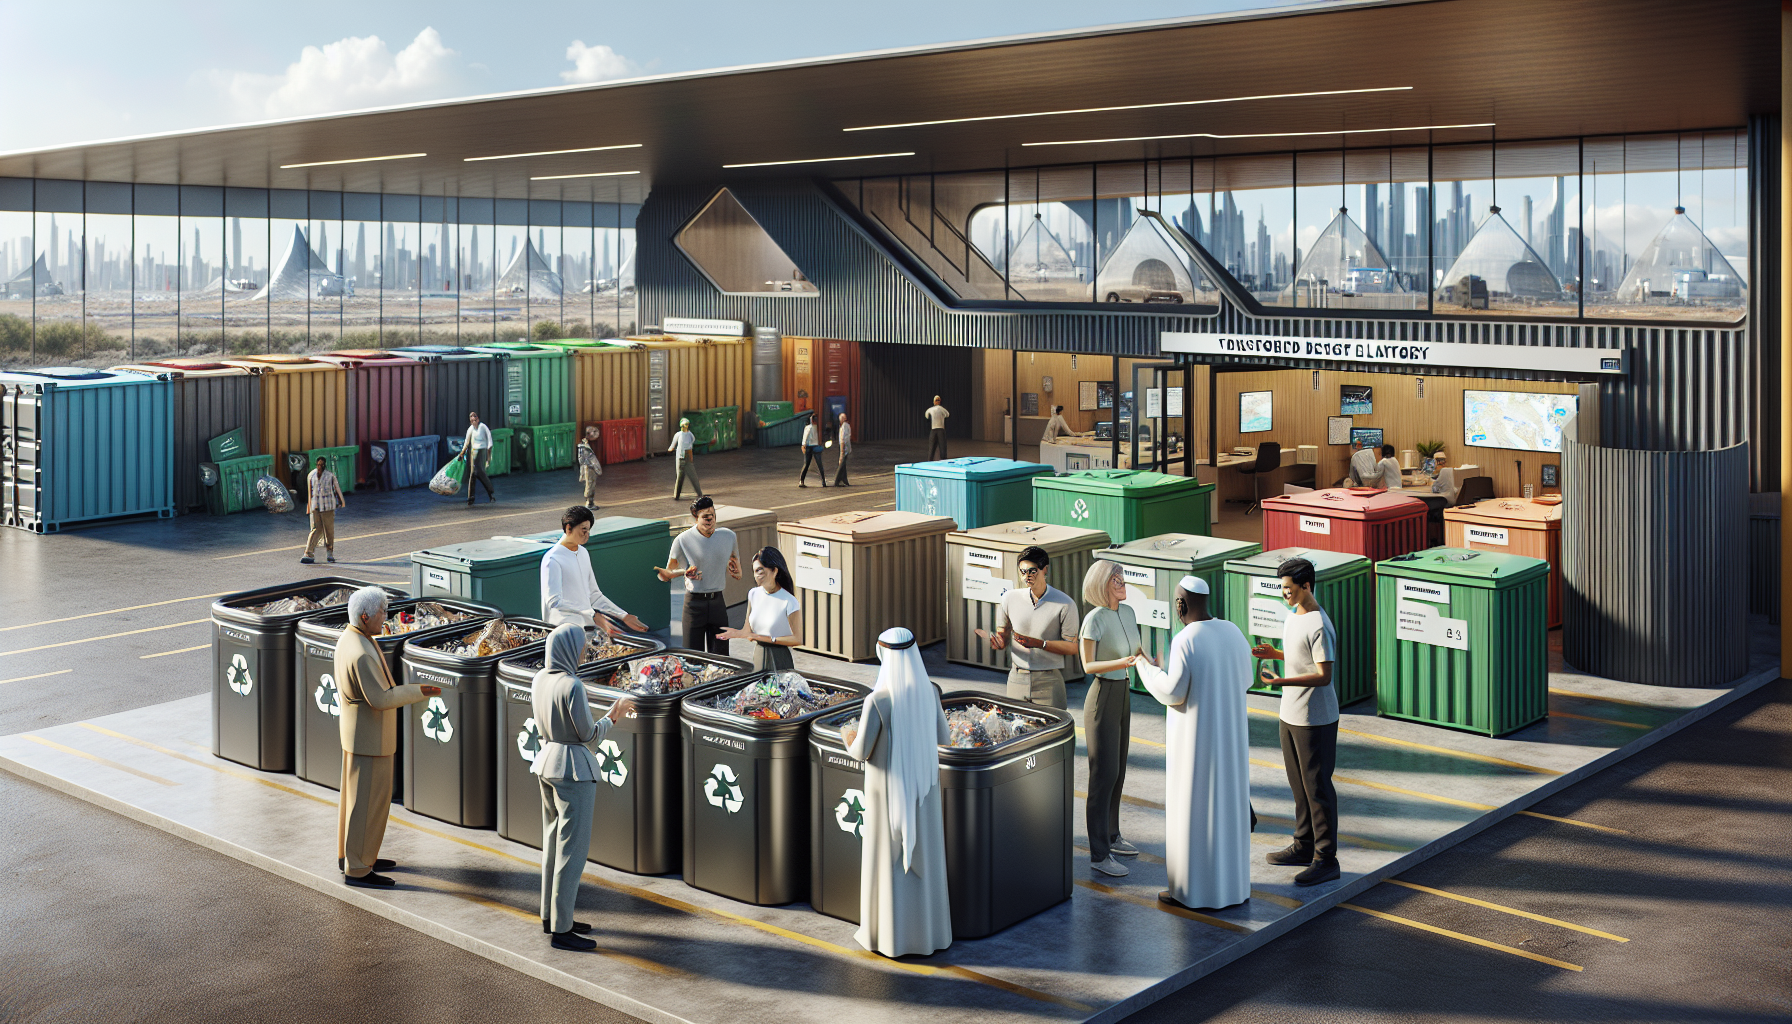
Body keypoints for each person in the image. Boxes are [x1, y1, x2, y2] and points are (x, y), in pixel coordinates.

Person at [1134, 576, 1254, 910]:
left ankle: (1190, 893)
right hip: (1229, 742)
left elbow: (1174, 692)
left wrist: (1146, 668)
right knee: (1227, 813)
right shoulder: (1233, 631)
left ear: (1181, 604)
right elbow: (1247, 679)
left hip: (1195, 745)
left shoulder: (1186, 638)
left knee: (1195, 812)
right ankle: (1233, 889)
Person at [846, 626, 953, 958]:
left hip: (886, 794)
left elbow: (861, 751)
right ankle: (930, 935)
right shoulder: (929, 692)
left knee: (888, 860)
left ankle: (889, 938)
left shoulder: (878, 700)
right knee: (925, 856)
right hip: (924, 791)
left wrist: (847, 737)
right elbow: (945, 738)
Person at [531, 624, 635, 950]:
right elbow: (588, 735)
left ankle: (551, 916)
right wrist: (615, 714)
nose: (582, 653)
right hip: (573, 771)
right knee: (572, 852)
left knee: (552, 844)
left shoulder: (540, 679)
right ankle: (562, 930)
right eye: (580, 647)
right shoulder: (572, 685)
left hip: (545, 763)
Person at [335, 586, 439, 887]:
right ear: (365, 617)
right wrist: (421, 691)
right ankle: (358, 868)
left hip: (358, 735)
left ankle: (354, 855)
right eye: (382, 612)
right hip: (370, 740)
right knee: (368, 806)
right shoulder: (361, 653)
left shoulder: (351, 639)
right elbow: (381, 699)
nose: (387, 616)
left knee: (354, 802)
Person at [1250, 556, 1342, 887]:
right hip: (1290, 715)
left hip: (1315, 719)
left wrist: (1281, 682)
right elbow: (1300, 656)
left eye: (1289, 589)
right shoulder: (1294, 615)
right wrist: (1274, 654)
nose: (1284, 594)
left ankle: (1326, 859)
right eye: (1282, 589)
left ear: (1306, 585)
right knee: (1298, 786)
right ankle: (1304, 845)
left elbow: (1323, 675)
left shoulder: (1319, 624)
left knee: (1317, 788)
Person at [1078, 560, 1151, 877]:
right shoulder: (1094, 620)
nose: (1122, 584)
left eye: (1123, 578)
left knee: (1118, 770)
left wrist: (1153, 663)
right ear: (1101, 584)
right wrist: (1121, 662)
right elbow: (1088, 666)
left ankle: (1112, 835)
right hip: (1102, 696)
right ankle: (1099, 854)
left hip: (1123, 694)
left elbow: (1139, 651)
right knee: (1103, 774)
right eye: (1116, 579)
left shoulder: (1129, 613)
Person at [983, 545, 1079, 710]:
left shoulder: (1065, 603)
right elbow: (1002, 636)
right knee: (1014, 724)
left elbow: (1072, 647)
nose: (1026, 576)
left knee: (1053, 725)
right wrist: (998, 642)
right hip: (1017, 678)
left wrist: (1039, 644)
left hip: (1049, 680)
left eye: (1032, 571)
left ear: (1045, 569)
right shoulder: (1009, 598)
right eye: (1022, 571)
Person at [541, 505, 649, 635]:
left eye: (588, 530)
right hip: (563, 632)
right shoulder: (553, 559)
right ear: (569, 528)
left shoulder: (583, 553)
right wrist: (592, 614)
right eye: (584, 530)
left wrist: (623, 616)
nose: (587, 535)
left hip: (587, 629)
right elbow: (554, 601)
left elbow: (594, 595)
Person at [656, 496, 742, 655]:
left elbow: (736, 563)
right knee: (693, 657)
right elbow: (666, 575)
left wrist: (736, 571)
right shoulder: (682, 540)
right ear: (695, 517)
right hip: (694, 605)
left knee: (721, 657)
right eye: (705, 517)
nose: (711, 521)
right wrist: (684, 572)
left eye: (713, 516)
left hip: (718, 603)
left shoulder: (729, 536)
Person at [719, 547, 803, 671]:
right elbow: (747, 631)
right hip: (758, 655)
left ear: (774, 571)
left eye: (760, 570)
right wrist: (737, 633)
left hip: (779, 658)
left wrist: (767, 639)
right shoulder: (753, 594)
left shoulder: (789, 601)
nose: (756, 575)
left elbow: (797, 639)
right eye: (754, 571)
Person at [300, 455, 345, 565]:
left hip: (328, 507)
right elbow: (310, 492)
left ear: (324, 465)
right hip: (315, 506)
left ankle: (329, 553)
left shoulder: (330, 476)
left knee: (329, 531)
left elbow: (337, 489)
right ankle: (308, 553)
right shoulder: (311, 475)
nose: (320, 466)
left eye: (322, 464)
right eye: (318, 464)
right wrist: (309, 507)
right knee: (315, 529)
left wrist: (341, 501)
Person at [463, 411, 497, 505]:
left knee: (478, 472)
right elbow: (467, 441)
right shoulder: (471, 429)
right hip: (474, 452)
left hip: (482, 450)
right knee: (473, 474)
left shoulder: (483, 427)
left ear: (478, 419)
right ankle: (471, 496)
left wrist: (488, 457)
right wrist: (462, 453)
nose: (473, 422)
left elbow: (490, 442)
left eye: (474, 419)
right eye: (471, 420)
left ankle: (490, 492)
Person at [669, 418, 702, 500]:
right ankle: (676, 495)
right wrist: (671, 448)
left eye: (686, 425)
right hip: (680, 457)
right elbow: (673, 443)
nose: (685, 427)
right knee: (680, 477)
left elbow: (692, 442)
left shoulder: (690, 434)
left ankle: (699, 493)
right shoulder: (678, 434)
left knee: (693, 476)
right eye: (684, 425)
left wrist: (690, 455)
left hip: (687, 455)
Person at [575, 424, 602, 510]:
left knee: (592, 484)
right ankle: (589, 502)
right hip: (589, 468)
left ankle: (591, 501)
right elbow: (583, 459)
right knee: (590, 484)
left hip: (591, 467)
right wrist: (590, 465)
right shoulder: (583, 446)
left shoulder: (588, 445)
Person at [799, 414, 828, 488]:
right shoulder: (816, 428)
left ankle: (802, 480)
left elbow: (805, 436)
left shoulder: (810, 427)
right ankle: (823, 481)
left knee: (807, 464)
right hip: (814, 446)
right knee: (818, 464)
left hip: (810, 446)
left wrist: (803, 445)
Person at [924, 396, 950, 460]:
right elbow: (947, 415)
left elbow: (926, 416)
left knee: (933, 448)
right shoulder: (942, 409)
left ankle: (931, 460)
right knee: (941, 447)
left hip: (935, 430)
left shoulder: (931, 409)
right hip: (939, 430)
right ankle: (942, 460)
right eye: (937, 400)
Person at [832, 412, 853, 487]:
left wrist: (843, 448)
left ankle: (837, 480)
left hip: (844, 446)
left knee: (842, 463)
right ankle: (844, 480)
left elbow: (844, 438)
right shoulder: (846, 426)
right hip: (845, 446)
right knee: (843, 463)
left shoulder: (844, 426)